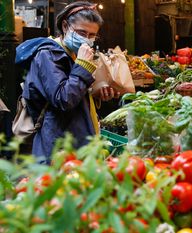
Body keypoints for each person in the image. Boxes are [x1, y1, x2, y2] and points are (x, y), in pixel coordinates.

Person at [15, 1, 118, 164]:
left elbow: (74, 92)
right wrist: (83, 66)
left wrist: (96, 94)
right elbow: (63, 99)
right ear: (65, 26)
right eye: (82, 32)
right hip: (58, 146)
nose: (87, 40)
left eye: (92, 35)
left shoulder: (72, 53)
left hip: (77, 140)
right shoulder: (48, 55)